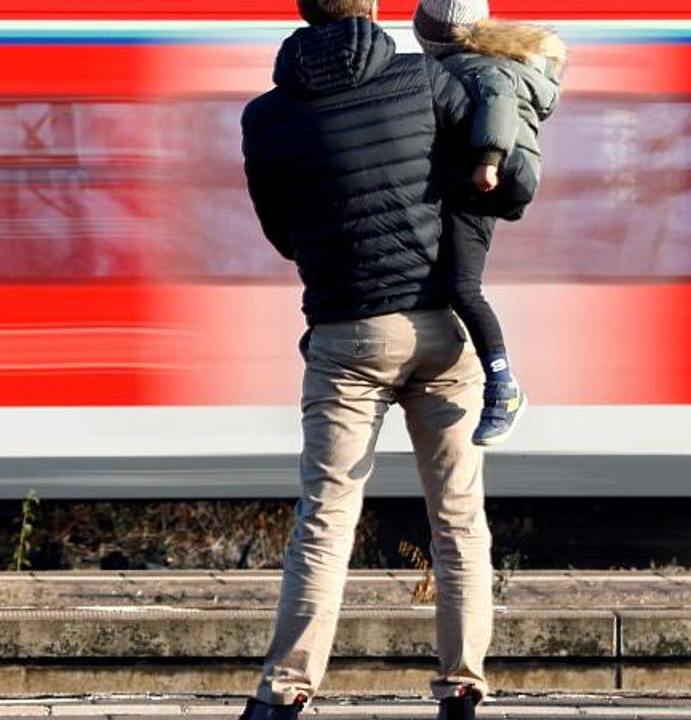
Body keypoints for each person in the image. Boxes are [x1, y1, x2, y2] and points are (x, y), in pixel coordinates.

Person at [238, 1, 493, 718]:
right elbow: (483, 172)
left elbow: (282, 235)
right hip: (444, 326)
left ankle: (284, 694)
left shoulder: (265, 116)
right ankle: (462, 689)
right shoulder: (426, 81)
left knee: (325, 517)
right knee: (458, 519)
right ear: (376, 8)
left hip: (346, 335)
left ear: (301, 11)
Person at [414, 0, 568, 445]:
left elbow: (497, 99)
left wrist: (489, 159)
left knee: (463, 287)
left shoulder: (478, 67)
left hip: (485, 182)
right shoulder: (472, 63)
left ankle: (504, 386)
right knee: (442, 278)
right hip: (476, 181)